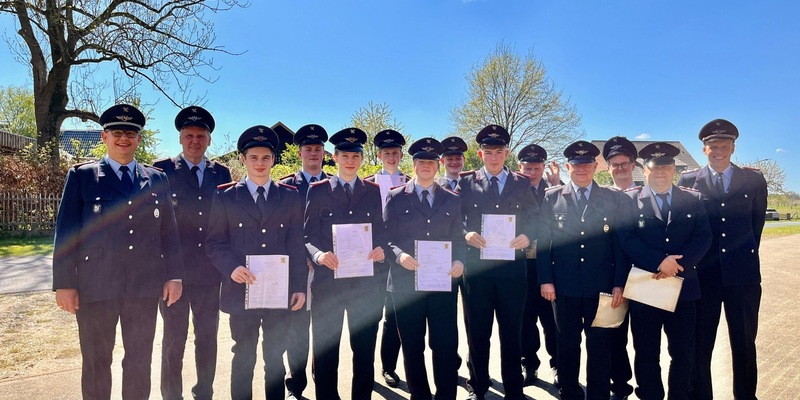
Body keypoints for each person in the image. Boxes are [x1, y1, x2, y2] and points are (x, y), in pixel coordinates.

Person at [53, 103, 184, 400]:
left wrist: (174, 275)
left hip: (143, 287)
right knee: (97, 361)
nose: (123, 138)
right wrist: (64, 283)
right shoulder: (82, 176)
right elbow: (66, 234)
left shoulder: (156, 179)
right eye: (116, 132)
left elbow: (169, 233)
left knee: (139, 360)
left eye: (130, 133)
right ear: (104, 137)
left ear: (138, 139)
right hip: (95, 285)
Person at [205, 126, 307, 400]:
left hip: (278, 293)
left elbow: (296, 244)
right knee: (244, 356)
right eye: (254, 157)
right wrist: (231, 268)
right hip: (241, 291)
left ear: (273, 160)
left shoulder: (289, 196)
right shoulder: (225, 196)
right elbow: (214, 243)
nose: (260, 163)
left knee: (274, 356)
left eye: (265, 157)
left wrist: (299, 286)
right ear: (243, 160)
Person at [677, 119, 767, 400]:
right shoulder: (688, 181)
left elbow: (757, 226)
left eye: (724, 146)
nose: (719, 150)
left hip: (743, 276)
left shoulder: (753, 179)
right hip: (703, 277)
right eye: (713, 146)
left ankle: (745, 396)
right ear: (703, 150)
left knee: (743, 343)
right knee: (701, 344)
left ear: (733, 147)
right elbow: (685, 228)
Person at [619, 142, 712, 400]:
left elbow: (703, 237)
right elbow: (626, 238)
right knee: (647, 352)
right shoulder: (629, 200)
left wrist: (677, 265)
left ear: (674, 170)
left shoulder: (692, 199)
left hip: (683, 287)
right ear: (644, 171)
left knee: (683, 352)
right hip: (646, 286)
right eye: (654, 167)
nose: (660, 172)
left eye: (666, 167)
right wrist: (660, 262)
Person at [537, 140, 628, 400]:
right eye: (576, 165)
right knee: (566, 344)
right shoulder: (552, 197)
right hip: (563, 286)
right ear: (568, 167)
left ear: (596, 166)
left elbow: (620, 245)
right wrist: (546, 280)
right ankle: (570, 392)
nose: (582, 169)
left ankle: (598, 394)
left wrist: (619, 282)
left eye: (587, 164)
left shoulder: (613, 198)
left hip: (602, 286)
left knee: (600, 346)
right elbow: (544, 241)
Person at [153, 106, 232, 400]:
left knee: (207, 338)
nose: (195, 141)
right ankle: (171, 395)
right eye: (189, 135)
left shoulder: (221, 173)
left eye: (201, 135)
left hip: (210, 273)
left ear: (209, 140)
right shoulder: (161, 170)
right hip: (174, 272)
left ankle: (204, 392)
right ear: (181, 139)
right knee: (174, 339)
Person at [304, 127, 388, 400]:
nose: (350, 160)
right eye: (345, 155)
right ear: (335, 157)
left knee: (364, 351)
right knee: (326, 350)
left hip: (365, 285)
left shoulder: (373, 191)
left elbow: (382, 232)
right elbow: (307, 235)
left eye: (355, 155)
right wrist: (318, 255)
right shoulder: (317, 191)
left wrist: (381, 249)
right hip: (329, 283)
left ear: (361, 159)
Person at [457, 124, 538, 400]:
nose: (494, 157)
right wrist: (465, 233)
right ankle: (477, 387)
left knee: (511, 334)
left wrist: (528, 235)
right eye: (488, 152)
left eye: (499, 151)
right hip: (476, 271)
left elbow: (537, 219)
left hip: (512, 271)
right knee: (477, 334)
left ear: (507, 153)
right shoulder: (466, 182)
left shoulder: (521, 183)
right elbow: (454, 220)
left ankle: (513, 389)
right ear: (480, 154)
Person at [384, 137, 466, 400]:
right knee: (412, 345)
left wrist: (460, 260)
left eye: (431, 162)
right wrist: (399, 256)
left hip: (442, 284)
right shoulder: (396, 198)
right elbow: (385, 239)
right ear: (414, 164)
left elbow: (458, 238)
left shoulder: (452, 199)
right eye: (421, 162)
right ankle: (420, 395)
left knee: (444, 345)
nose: (426, 166)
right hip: (406, 284)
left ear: (438, 165)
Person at [278, 123, 330, 399]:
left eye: (318, 149)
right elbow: (282, 230)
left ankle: (322, 383)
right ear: (299, 153)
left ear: (324, 152)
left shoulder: (333, 184)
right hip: (295, 270)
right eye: (308, 149)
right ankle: (295, 385)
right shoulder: (285, 187)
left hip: (325, 269)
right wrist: (302, 257)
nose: (313, 153)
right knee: (296, 331)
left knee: (323, 330)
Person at [365, 128, 409, 388]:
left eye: (395, 152)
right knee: (370, 317)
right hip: (372, 258)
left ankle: (389, 367)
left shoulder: (411, 181)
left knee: (394, 318)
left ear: (401, 155)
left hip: (398, 258)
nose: (391, 156)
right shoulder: (367, 183)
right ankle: (365, 370)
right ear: (379, 155)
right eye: (386, 152)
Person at [516, 143, 560, 387]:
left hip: (549, 265)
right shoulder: (514, 190)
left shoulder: (554, 191)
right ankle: (529, 365)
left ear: (543, 167)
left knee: (552, 321)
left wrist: (556, 185)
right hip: (522, 266)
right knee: (525, 321)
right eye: (527, 168)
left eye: (536, 168)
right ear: (520, 167)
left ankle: (558, 365)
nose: (531, 173)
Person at [602, 136, 638, 400]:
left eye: (624, 164)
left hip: (649, 275)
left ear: (634, 165)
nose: (620, 169)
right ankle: (621, 386)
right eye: (615, 165)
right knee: (616, 336)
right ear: (608, 167)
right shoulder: (604, 198)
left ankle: (650, 387)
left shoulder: (649, 192)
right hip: (616, 275)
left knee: (647, 339)